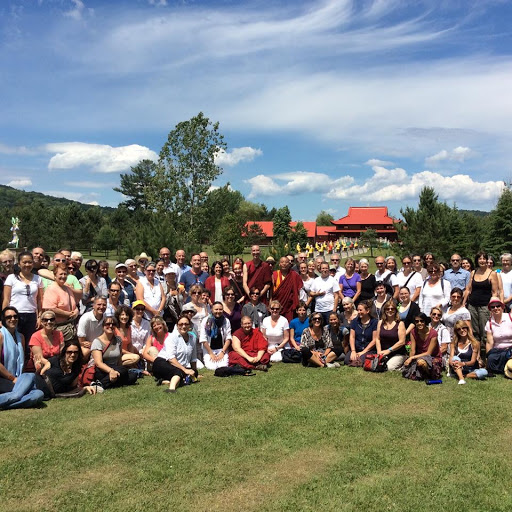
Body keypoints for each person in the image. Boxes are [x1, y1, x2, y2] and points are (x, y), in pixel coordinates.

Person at [0, 306, 45, 409]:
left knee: (38, 394)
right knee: (18, 394)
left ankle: (6, 404)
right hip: (3, 378)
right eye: (9, 317)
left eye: (15, 316)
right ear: (4, 319)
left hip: (19, 377)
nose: (13, 319)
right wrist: (12, 378)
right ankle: (14, 397)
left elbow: (23, 360)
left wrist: (19, 378)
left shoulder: (21, 337)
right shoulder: (1, 336)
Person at [2, 251, 43, 357]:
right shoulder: (11, 278)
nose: (27, 265)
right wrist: (3, 317)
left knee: (29, 344)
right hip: (15, 316)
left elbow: (39, 300)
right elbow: (6, 299)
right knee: (14, 343)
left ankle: (27, 368)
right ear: (19, 264)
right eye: (24, 262)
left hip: (31, 315)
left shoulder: (37, 279)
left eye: (30, 262)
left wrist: (39, 316)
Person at [152, 314, 198, 393]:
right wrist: (185, 370)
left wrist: (194, 371)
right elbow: (171, 359)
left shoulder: (192, 338)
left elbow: (193, 357)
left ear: (189, 325)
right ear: (177, 326)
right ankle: (171, 389)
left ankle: (164, 381)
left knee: (193, 372)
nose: (183, 326)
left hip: (177, 365)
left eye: (186, 324)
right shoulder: (172, 338)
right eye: (181, 324)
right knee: (179, 372)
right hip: (162, 362)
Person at [91, 316, 138, 390]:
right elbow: (98, 363)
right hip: (102, 370)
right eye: (108, 324)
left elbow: (119, 360)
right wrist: (111, 371)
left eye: (113, 324)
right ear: (103, 326)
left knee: (133, 376)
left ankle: (108, 382)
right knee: (123, 372)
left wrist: (118, 370)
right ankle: (100, 384)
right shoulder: (97, 342)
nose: (110, 326)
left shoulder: (118, 340)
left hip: (116, 369)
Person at [466, 251, 499, 344]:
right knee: (474, 332)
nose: (482, 260)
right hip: (472, 306)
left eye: (484, 258)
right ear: (477, 260)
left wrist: (493, 307)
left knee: (485, 332)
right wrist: (462, 304)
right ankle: (477, 355)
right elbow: (468, 289)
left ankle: (486, 355)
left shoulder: (492, 273)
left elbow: (494, 292)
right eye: (480, 258)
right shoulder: (473, 272)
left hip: (485, 307)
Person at [42, 266, 79, 342]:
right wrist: (68, 314)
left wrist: (76, 312)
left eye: (65, 274)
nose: (63, 276)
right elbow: (50, 309)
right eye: (61, 274)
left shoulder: (68, 289)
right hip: (58, 329)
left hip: (71, 327)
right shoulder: (51, 289)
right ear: (55, 275)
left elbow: (74, 305)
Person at [402, 313, 442, 381]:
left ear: (425, 321)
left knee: (421, 362)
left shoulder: (433, 333)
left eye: (421, 321)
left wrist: (412, 357)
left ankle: (430, 373)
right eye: (417, 321)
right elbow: (412, 350)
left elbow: (429, 353)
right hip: (418, 356)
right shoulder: (413, 332)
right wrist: (410, 360)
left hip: (432, 357)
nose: (419, 323)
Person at [374, 300, 407, 371]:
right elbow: (377, 339)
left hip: (398, 353)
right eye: (388, 309)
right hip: (383, 353)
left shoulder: (400, 324)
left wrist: (389, 350)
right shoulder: (380, 322)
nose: (390, 310)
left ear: (395, 310)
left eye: (392, 309)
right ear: (385, 310)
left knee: (389, 368)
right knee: (375, 365)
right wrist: (379, 351)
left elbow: (402, 342)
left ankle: (403, 367)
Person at [199, 302, 232, 370]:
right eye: (216, 309)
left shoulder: (226, 321)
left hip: (222, 349)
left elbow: (228, 338)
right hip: (209, 349)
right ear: (212, 310)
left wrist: (222, 352)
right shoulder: (205, 321)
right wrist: (211, 353)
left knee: (223, 366)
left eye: (220, 309)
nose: (218, 311)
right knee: (212, 367)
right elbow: (203, 339)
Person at [485, 297, 512, 374]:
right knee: (491, 359)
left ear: (502, 307)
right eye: (493, 307)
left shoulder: (510, 317)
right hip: (498, 350)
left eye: (498, 306)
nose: (495, 308)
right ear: (490, 309)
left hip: (510, 348)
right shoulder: (489, 323)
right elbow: (489, 342)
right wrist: (487, 357)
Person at [271, 256, 303, 321]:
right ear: (279, 264)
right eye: (282, 262)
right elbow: (271, 291)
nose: (284, 264)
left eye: (286, 262)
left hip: (289, 306)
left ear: (289, 264)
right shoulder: (274, 274)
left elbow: (298, 290)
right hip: (276, 304)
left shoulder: (294, 275)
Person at [346, 301, 377, 366]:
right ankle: (355, 362)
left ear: (367, 311)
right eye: (358, 310)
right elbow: (352, 337)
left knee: (362, 359)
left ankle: (357, 362)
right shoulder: (354, 321)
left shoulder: (374, 322)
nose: (359, 312)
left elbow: (374, 340)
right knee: (347, 360)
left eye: (361, 310)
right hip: (357, 348)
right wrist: (353, 351)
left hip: (368, 350)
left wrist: (363, 352)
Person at [77, 296, 106, 360]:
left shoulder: (106, 319)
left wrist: (94, 344)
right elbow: (81, 342)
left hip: (100, 345)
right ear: (93, 306)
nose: (101, 307)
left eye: (104, 305)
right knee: (85, 352)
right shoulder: (85, 318)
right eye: (99, 304)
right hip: (87, 347)